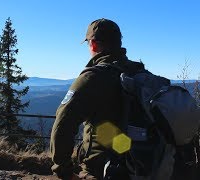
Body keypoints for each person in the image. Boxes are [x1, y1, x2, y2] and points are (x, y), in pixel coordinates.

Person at [50, 18, 146, 180]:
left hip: (102, 169)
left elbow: (63, 124)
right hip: (141, 165)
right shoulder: (139, 74)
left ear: (93, 44)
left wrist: (64, 171)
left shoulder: (93, 78)